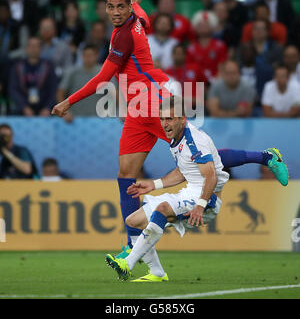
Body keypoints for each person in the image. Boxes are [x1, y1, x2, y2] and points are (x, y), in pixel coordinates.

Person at [52, 0, 289, 259]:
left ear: (126, 9)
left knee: (198, 154)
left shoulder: (124, 36)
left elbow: (100, 79)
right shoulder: (136, 20)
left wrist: (68, 102)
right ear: (105, 8)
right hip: (136, 111)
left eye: (121, 7)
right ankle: (133, 244)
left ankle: (266, 156)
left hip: (155, 102)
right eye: (110, 7)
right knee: (125, 174)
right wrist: (138, 4)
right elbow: (147, 21)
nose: (115, 12)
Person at [104, 96, 288, 282]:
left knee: (161, 210)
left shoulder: (194, 142)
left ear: (182, 119)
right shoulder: (177, 137)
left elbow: (211, 177)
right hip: (190, 191)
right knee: (133, 220)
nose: (164, 124)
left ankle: (128, 263)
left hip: (206, 200)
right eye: (162, 119)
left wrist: (200, 206)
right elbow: (183, 170)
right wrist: (154, 185)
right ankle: (157, 273)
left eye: (169, 119)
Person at [9, 37, 57, 116]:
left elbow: (53, 89)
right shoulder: (17, 67)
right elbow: (13, 89)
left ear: (41, 49)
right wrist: (24, 107)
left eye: (36, 46)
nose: (33, 49)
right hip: (22, 109)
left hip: (45, 109)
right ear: (26, 48)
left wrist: (47, 107)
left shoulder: (48, 67)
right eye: (31, 46)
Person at [186, 11, 228, 84]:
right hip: (197, 83)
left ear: (212, 27)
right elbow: (190, 70)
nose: (203, 27)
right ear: (196, 28)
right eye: (200, 25)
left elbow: (222, 67)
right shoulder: (190, 49)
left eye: (206, 24)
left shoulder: (220, 45)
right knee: (188, 86)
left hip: (216, 81)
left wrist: (214, 83)